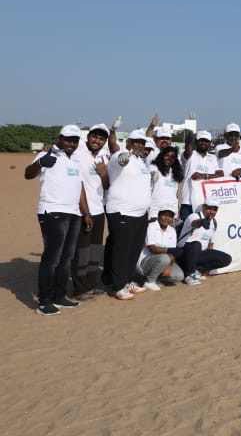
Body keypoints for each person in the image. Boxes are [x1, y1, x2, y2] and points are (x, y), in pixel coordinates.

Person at [25, 125, 94, 316]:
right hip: (52, 210)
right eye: (68, 139)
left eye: (75, 140)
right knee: (52, 258)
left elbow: (79, 188)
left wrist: (86, 213)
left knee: (67, 258)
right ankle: (44, 301)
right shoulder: (48, 155)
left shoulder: (75, 161)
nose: (71, 143)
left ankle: (59, 296)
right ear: (59, 138)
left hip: (74, 213)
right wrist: (40, 163)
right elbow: (27, 174)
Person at [103, 129, 152, 300]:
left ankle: (128, 280)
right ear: (129, 142)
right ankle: (117, 286)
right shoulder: (121, 155)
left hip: (140, 214)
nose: (139, 145)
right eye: (136, 142)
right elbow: (119, 159)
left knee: (133, 250)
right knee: (121, 251)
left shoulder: (140, 161)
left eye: (142, 142)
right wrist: (123, 157)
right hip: (122, 212)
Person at [69, 123, 110, 299]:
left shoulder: (104, 157)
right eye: (95, 136)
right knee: (81, 251)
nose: (97, 140)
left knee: (94, 250)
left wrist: (102, 173)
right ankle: (79, 289)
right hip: (80, 210)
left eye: (101, 138)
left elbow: (107, 186)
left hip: (98, 209)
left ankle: (91, 285)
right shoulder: (77, 154)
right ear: (88, 136)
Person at [176, 196, 233, 285]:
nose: (212, 212)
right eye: (209, 208)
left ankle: (197, 270)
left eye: (215, 209)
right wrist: (202, 222)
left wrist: (209, 257)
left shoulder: (213, 223)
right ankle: (189, 275)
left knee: (226, 259)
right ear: (203, 207)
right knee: (196, 244)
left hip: (199, 255)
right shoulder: (194, 216)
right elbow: (194, 223)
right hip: (184, 253)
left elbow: (210, 242)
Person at [136, 204, 183, 290]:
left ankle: (156, 279)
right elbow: (152, 248)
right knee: (165, 258)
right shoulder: (151, 226)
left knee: (179, 276)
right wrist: (167, 252)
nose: (167, 218)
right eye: (165, 215)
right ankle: (149, 281)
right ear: (158, 215)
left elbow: (172, 253)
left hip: (163, 260)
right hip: (146, 260)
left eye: (170, 216)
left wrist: (169, 266)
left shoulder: (172, 230)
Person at [180, 130, 223, 221]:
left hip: (205, 202)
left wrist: (204, 176)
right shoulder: (191, 155)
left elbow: (220, 174)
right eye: (201, 140)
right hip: (188, 202)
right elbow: (187, 153)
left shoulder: (213, 157)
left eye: (206, 141)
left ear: (210, 143)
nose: (203, 143)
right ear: (196, 142)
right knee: (186, 230)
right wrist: (188, 143)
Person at [149, 146, 184, 220]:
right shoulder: (154, 168)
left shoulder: (175, 173)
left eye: (172, 157)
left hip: (171, 214)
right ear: (162, 156)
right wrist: (152, 174)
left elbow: (178, 195)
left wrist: (178, 212)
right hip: (155, 213)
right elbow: (151, 172)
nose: (169, 158)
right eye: (167, 155)